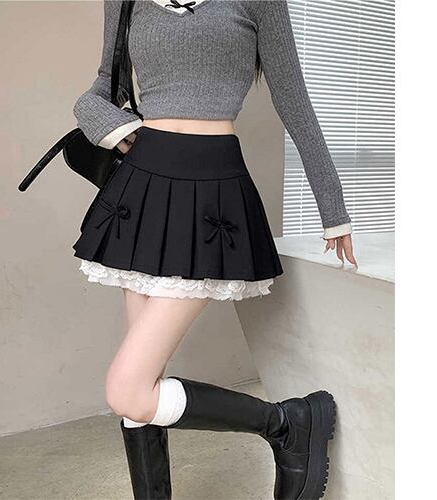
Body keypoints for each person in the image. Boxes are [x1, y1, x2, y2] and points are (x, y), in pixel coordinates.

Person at [72, 1, 357, 499]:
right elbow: (103, 87)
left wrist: (333, 208)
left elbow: (294, 100)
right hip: (142, 188)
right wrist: (113, 127)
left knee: (128, 389)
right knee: (142, 386)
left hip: (212, 190)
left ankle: (286, 423)